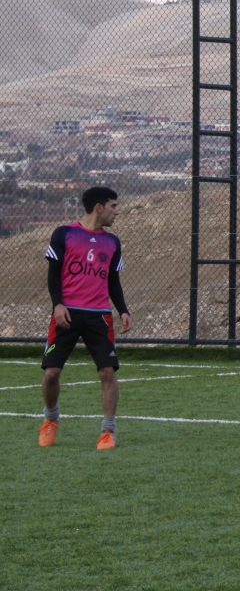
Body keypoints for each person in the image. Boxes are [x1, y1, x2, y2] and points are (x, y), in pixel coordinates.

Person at [38, 186, 132, 450]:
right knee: (51, 373)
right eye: (113, 206)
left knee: (107, 371)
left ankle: (107, 432)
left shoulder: (112, 242)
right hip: (66, 313)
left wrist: (123, 310)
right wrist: (57, 305)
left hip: (99, 316)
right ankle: (50, 420)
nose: (117, 211)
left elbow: (113, 280)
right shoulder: (64, 233)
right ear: (99, 208)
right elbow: (53, 274)